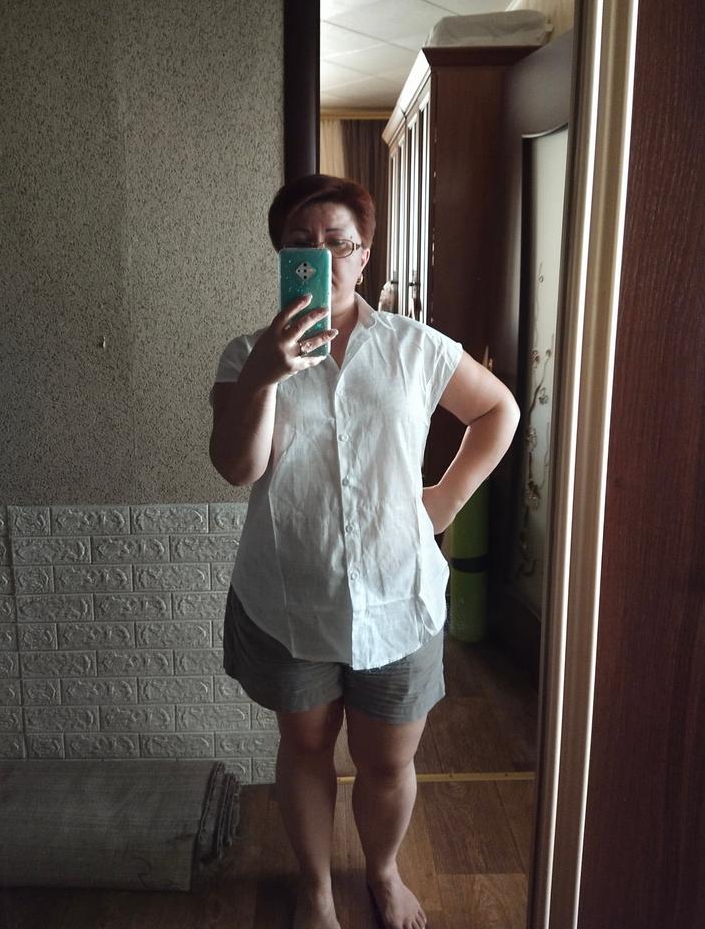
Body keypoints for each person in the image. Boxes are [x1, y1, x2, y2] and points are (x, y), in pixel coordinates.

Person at [209, 174, 520, 929]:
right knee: (306, 747)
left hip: (397, 593)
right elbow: (238, 468)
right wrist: (267, 374)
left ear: (364, 254)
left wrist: (443, 502)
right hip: (289, 596)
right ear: (282, 256)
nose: (321, 257)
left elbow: (497, 410)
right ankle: (317, 889)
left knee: (387, 759)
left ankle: (382, 872)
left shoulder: (413, 345)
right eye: (301, 244)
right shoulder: (246, 353)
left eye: (337, 243)